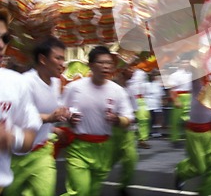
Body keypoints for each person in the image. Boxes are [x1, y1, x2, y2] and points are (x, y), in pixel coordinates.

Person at [61, 45, 134, 196]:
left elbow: (129, 118)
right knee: (80, 191)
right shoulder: (73, 87)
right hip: (79, 147)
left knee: (93, 191)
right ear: (90, 65)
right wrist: (68, 117)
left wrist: (117, 120)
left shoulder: (117, 91)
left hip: (104, 148)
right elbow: (60, 111)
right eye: (101, 63)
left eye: (109, 63)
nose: (106, 66)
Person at [0, 7, 42, 196]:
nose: (0, 45)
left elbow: (29, 135)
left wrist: (11, 138)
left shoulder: (15, 83)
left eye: (5, 38)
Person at [3, 36, 70, 196]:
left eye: (64, 59)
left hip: (42, 151)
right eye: (58, 58)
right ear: (43, 59)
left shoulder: (56, 82)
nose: (62, 64)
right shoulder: (24, 83)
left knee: (45, 191)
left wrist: (54, 128)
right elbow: (18, 116)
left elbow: (46, 113)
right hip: (15, 155)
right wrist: (49, 118)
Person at [174, 77, 211, 196]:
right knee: (200, 168)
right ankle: (181, 171)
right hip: (194, 133)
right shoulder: (197, 79)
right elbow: (195, 62)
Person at [111, 62, 139, 196]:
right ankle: (93, 178)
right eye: (130, 68)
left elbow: (134, 109)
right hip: (113, 130)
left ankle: (123, 185)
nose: (133, 71)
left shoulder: (130, 88)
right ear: (122, 70)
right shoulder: (111, 87)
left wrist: (136, 124)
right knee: (107, 161)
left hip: (128, 130)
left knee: (131, 159)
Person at [168, 59, 193, 144]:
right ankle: (175, 139)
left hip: (190, 96)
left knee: (189, 119)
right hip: (179, 96)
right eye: (184, 62)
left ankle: (189, 137)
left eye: (187, 62)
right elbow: (172, 89)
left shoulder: (191, 74)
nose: (186, 64)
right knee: (176, 120)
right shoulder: (175, 75)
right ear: (179, 64)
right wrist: (175, 100)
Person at [128, 67, 151, 149]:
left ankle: (142, 139)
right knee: (130, 120)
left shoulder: (141, 72)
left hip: (140, 99)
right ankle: (130, 140)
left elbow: (145, 85)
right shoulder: (124, 70)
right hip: (128, 99)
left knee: (143, 119)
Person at [147, 71, 165, 138]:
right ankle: (150, 131)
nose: (152, 77)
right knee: (150, 118)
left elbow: (161, 94)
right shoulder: (146, 84)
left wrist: (162, 101)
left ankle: (157, 131)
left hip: (157, 103)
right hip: (148, 104)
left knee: (157, 118)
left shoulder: (158, 84)